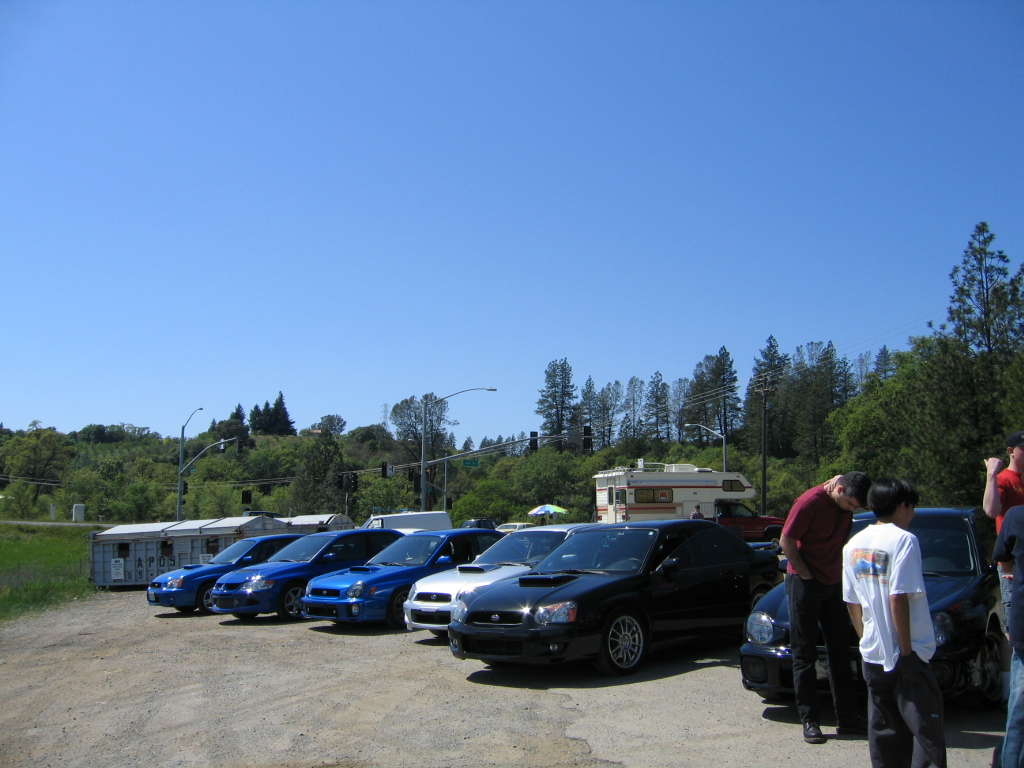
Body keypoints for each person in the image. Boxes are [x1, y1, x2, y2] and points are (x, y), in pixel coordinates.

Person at [842, 477, 946, 768]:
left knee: (885, 731)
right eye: (911, 507)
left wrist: (865, 640)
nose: (912, 514)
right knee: (926, 730)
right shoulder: (904, 540)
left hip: (873, 653)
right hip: (907, 653)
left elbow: (852, 602)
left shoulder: (853, 544)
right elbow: (898, 596)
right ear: (902, 506)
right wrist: (907, 652)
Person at [780, 471, 871, 744]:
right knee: (804, 654)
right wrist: (806, 575)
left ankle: (848, 717)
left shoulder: (844, 497)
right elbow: (786, 541)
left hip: (834, 583)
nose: (852, 510)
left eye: (856, 507)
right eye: (851, 504)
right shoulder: (809, 503)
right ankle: (810, 720)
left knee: (840, 652)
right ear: (839, 490)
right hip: (804, 583)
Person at [985, 431, 1024, 638]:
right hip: (1012, 563)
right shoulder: (1004, 479)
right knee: (1014, 622)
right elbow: (991, 510)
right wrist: (991, 474)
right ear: (1011, 451)